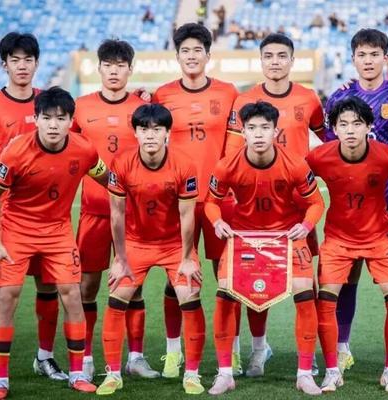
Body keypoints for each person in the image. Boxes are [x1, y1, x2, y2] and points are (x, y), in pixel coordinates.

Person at [0, 87, 108, 399]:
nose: (54, 125)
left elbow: (110, 179)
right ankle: (0, 381)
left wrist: (139, 186)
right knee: (7, 296)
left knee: (72, 295)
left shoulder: (84, 150)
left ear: (70, 121)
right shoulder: (16, 150)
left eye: (61, 118)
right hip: (17, 230)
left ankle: (77, 374)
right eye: (47, 118)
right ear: (36, 119)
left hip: (58, 231)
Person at [205, 101, 325, 395]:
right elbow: (211, 202)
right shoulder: (227, 165)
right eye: (252, 128)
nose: (258, 134)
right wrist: (217, 221)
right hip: (244, 237)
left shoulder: (295, 164)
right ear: (243, 132)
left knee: (305, 292)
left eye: (264, 128)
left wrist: (306, 226)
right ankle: (225, 374)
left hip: (286, 236)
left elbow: (316, 203)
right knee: (225, 294)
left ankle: (305, 374)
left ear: (275, 131)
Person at [225, 33, 326, 377]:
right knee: (256, 279)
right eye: (268, 56)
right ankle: (258, 350)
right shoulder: (244, 100)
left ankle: (309, 352)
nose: (275, 62)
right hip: (256, 208)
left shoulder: (308, 98)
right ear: (261, 60)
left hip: (299, 206)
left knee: (306, 281)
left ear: (292, 61)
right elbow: (232, 153)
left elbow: (327, 139)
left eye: (282, 56)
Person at [0, 32, 65, 389]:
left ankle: (44, 356)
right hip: (3, 209)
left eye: (28, 60)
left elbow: (75, 129)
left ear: (36, 64)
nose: (22, 66)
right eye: (15, 60)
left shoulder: (49, 103)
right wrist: (20, 148)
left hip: (45, 210)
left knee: (48, 285)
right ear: (4, 64)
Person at [96, 104, 207, 395]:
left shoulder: (184, 164)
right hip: (136, 243)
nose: (150, 135)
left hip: (174, 245)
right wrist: (120, 259)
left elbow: (187, 215)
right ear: (135, 132)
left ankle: (192, 373)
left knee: (189, 293)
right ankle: (113, 374)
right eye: (144, 129)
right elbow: (116, 213)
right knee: (117, 295)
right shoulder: (121, 163)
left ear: (167, 133)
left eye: (157, 129)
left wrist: (187, 258)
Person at [151, 23, 239, 378]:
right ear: (177, 56)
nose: (191, 56)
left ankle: (231, 353)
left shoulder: (228, 92)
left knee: (227, 278)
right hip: (177, 202)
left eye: (197, 50)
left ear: (208, 55)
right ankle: (174, 352)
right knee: (177, 278)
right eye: (184, 51)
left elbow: (234, 146)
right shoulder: (162, 94)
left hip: (219, 199)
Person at [324, 28, 388, 372]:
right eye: (362, 54)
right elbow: (331, 149)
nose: (368, 60)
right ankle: (342, 348)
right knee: (347, 279)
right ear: (353, 59)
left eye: (375, 54)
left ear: (386, 57)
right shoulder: (338, 98)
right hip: (353, 207)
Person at [307, 97, 388, 393]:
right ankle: (332, 371)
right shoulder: (319, 157)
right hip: (338, 240)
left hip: (380, 238)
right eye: (343, 124)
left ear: (369, 127)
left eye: (357, 123)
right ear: (334, 129)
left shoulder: (386, 156)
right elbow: (293, 178)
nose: (350, 130)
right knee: (325, 301)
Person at [71, 39, 149, 381]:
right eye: (108, 65)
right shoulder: (80, 107)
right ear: (99, 68)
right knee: (87, 286)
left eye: (120, 65)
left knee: (134, 285)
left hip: (133, 213)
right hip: (93, 211)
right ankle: (86, 357)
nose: (114, 71)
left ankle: (136, 357)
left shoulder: (143, 107)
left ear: (130, 69)